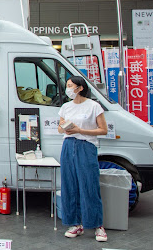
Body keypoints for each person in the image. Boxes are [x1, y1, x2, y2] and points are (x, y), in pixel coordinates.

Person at [58, 76, 108, 242]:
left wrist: (80, 130)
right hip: (68, 146)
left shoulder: (94, 106)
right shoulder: (65, 107)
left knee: (89, 184)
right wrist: (64, 127)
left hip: (86, 146)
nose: (68, 89)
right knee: (69, 185)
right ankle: (75, 224)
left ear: (80, 88)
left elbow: (103, 130)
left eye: (70, 86)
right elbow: (59, 128)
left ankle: (97, 225)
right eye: (67, 86)